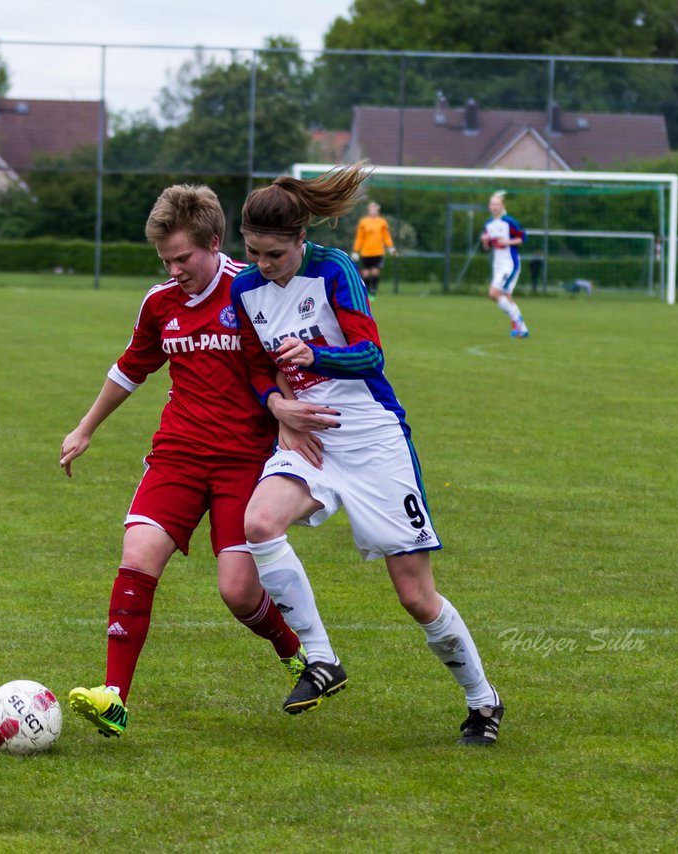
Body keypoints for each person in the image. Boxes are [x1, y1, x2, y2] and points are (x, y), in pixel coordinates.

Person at [231, 162, 505, 746]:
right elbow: (256, 366)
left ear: (301, 240)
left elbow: (370, 356)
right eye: (254, 252)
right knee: (259, 520)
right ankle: (323, 660)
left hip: (372, 435)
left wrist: (316, 357)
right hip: (310, 438)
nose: (263, 265)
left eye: (274, 254)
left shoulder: (335, 269)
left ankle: (483, 702)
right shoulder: (245, 288)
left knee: (414, 595)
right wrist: (277, 406)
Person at [61, 184, 315, 739]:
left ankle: (299, 655)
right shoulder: (160, 304)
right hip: (177, 453)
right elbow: (132, 367)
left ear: (215, 243)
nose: (175, 270)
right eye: (166, 261)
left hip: (243, 462)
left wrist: (291, 420)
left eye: (183, 258)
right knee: (138, 553)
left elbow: (280, 364)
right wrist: (85, 428)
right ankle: (114, 698)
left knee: (238, 590)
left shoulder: (250, 293)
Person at [481, 191, 530, 338]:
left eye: (497, 204)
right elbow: (487, 248)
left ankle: (518, 323)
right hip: (497, 264)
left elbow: (523, 238)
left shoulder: (509, 221)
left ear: (502, 206)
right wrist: (485, 241)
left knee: (494, 293)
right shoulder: (489, 224)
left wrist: (508, 241)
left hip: (510, 263)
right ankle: (521, 328)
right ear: (489, 207)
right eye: (492, 204)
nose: (495, 207)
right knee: (506, 295)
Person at [350, 201, 395, 296]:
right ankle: (367, 290)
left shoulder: (382, 222)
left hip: (378, 252)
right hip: (366, 252)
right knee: (365, 273)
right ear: (369, 210)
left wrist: (390, 247)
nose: (373, 211)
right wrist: (355, 251)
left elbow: (386, 236)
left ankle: (373, 290)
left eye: (375, 209)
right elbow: (359, 237)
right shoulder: (363, 222)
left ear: (377, 210)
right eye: (371, 209)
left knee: (375, 271)